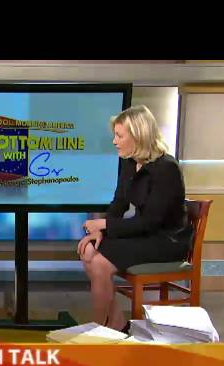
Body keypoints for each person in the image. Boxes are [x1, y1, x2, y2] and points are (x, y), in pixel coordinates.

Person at [77, 105, 192, 331]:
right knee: (88, 249)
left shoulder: (166, 169)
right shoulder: (130, 164)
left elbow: (150, 221)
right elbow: (119, 203)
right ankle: (116, 324)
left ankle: (98, 330)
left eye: (119, 136)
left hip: (166, 241)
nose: (114, 141)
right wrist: (99, 231)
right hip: (143, 234)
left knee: (99, 262)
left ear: (138, 135)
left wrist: (104, 224)